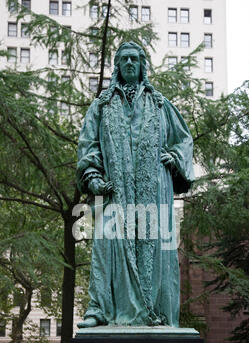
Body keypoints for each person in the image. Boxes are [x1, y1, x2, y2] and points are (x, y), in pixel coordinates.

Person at [76, 41, 195, 328]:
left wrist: (175, 158)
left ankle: (157, 311)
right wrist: (92, 177)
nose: (130, 63)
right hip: (113, 190)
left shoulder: (159, 103)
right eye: (124, 59)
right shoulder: (102, 106)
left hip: (154, 190)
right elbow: (89, 144)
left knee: (154, 247)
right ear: (117, 66)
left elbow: (183, 140)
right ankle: (100, 310)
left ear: (143, 66)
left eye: (135, 59)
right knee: (106, 245)